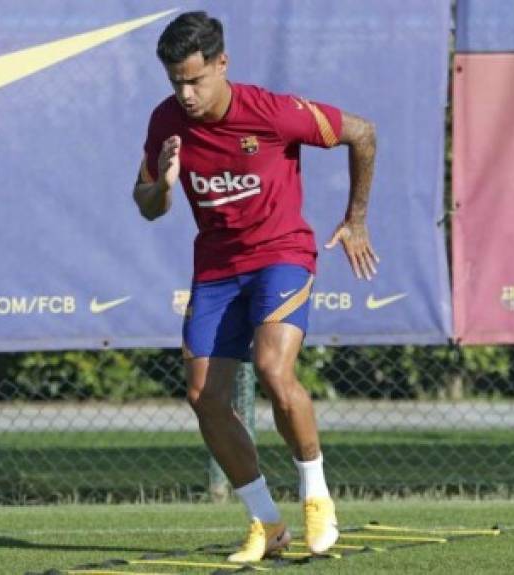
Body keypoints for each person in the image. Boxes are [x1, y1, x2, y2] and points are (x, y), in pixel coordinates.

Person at [132, 11, 378, 563]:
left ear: (222, 64)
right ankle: (266, 522)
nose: (186, 94)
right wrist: (163, 187)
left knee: (272, 369)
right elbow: (147, 204)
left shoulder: (272, 113)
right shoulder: (165, 123)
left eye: (196, 80)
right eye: (176, 82)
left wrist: (356, 218)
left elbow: (362, 132)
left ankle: (317, 496)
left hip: (281, 256)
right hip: (217, 268)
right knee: (204, 396)